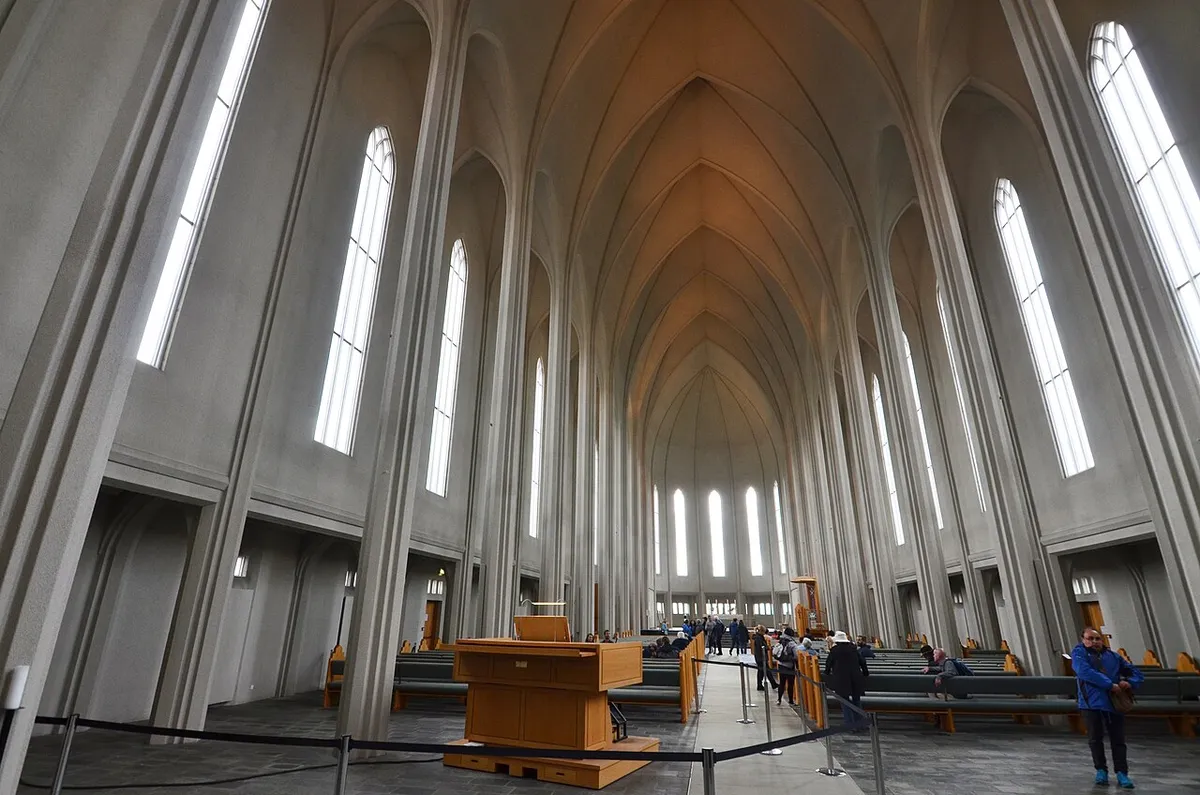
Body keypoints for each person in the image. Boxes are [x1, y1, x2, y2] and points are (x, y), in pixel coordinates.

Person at [1073, 627, 1143, 788]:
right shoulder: (1079, 654)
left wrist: (1130, 682)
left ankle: (1122, 773)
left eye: (1097, 639)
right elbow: (1084, 672)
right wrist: (1109, 684)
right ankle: (1101, 770)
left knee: (1118, 739)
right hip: (1090, 703)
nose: (1094, 642)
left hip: (1112, 703)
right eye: (1090, 638)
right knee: (1095, 739)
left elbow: (1135, 672)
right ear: (1083, 640)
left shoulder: (1113, 656)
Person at [824, 631, 869, 731]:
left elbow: (828, 663)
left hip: (841, 679)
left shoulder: (834, 650)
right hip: (855, 678)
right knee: (857, 701)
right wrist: (865, 672)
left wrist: (827, 672)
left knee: (845, 702)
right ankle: (861, 724)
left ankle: (850, 725)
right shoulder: (853, 649)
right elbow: (862, 661)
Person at [772, 628, 800, 706]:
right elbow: (796, 655)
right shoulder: (792, 643)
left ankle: (779, 699)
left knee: (782, 683)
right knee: (790, 684)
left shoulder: (781, 640)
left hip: (780, 665)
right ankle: (790, 700)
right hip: (789, 666)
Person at [751, 624, 778, 692]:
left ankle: (761, 685)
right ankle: (772, 684)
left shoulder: (759, 637)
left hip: (760, 657)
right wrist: (768, 648)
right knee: (766, 671)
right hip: (761, 657)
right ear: (761, 631)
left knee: (761, 672)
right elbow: (762, 647)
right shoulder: (758, 638)